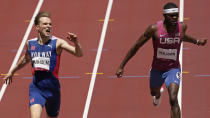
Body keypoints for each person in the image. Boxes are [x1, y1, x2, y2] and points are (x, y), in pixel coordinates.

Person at [116, 2, 207, 118]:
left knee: (173, 99)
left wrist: (197, 41)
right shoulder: (154, 29)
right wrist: (121, 66)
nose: (175, 18)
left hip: (173, 69)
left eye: (176, 15)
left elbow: (182, 36)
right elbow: (136, 46)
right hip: (157, 69)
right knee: (154, 92)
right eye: (172, 15)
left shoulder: (182, 27)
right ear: (164, 16)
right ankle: (158, 95)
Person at [4, 11, 83, 118]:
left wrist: (76, 42)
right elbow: (25, 59)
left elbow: (79, 54)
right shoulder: (30, 43)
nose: (48, 26)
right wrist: (11, 71)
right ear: (37, 27)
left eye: (50, 24)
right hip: (37, 89)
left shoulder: (58, 43)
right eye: (45, 24)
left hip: (53, 90)